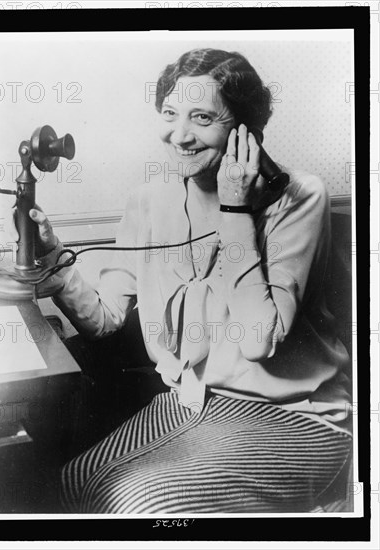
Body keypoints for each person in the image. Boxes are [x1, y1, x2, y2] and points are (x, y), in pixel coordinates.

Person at [23, 49, 352, 513]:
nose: (180, 135)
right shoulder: (149, 200)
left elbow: (258, 339)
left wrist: (236, 209)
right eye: (170, 114)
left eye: (201, 117)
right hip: (192, 400)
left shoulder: (299, 198)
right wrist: (53, 256)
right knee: (74, 482)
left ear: (246, 129)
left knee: (143, 505)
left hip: (295, 414)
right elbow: (106, 318)